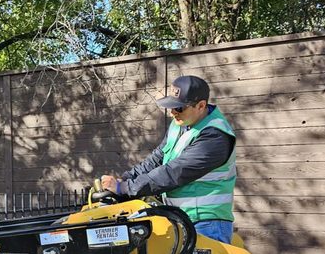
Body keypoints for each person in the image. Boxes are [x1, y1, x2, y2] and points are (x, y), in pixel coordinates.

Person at [101, 75, 237, 243]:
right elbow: (156, 159)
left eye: (179, 108)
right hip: (181, 220)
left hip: (206, 224)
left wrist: (126, 188)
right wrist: (125, 179)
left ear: (201, 105)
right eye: (171, 107)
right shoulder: (180, 124)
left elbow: (174, 172)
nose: (173, 112)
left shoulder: (215, 136)